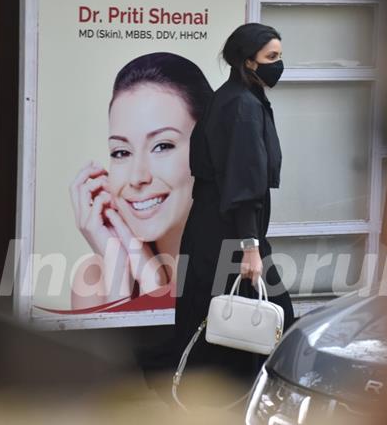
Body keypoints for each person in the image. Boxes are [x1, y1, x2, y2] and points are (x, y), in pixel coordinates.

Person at [173, 23, 295, 403]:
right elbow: (243, 184)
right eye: (271, 57)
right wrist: (251, 247)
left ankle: (219, 398)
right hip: (232, 232)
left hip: (215, 227)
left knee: (219, 318)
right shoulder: (242, 106)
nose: (279, 64)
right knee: (275, 319)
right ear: (248, 61)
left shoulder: (231, 96)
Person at [68, 52, 213, 310]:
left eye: (162, 146)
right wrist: (118, 278)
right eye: (121, 152)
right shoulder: (94, 277)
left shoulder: (237, 267)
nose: (137, 177)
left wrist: (154, 289)